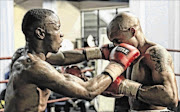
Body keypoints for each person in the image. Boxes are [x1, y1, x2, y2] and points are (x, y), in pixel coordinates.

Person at [4, 9, 140, 112]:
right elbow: (88, 92)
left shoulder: (24, 54)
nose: (61, 33)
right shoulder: (33, 67)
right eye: (57, 28)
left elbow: (63, 58)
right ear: (40, 33)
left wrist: (99, 52)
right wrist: (117, 63)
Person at [103, 12, 179, 111]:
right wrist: (101, 87)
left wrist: (126, 87)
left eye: (118, 41)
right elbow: (128, 91)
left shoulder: (155, 53)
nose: (117, 46)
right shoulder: (130, 56)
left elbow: (171, 97)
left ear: (132, 31)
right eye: (113, 42)